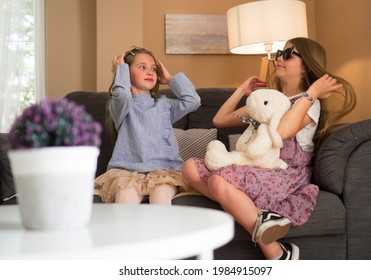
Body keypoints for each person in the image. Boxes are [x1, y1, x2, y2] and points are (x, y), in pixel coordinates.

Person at [181, 37, 356, 260]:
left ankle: (275, 251)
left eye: (288, 55)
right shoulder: (270, 99)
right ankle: (259, 216)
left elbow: (282, 133)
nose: (279, 59)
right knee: (189, 168)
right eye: (279, 54)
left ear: (306, 67)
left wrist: (311, 92)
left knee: (218, 181)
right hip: (255, 165)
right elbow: (220, 119)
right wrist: (242, 90)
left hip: (284, 172)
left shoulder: (310, 103)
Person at [95, 46, 201, 205]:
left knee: (160, 198)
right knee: (125, 199)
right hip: (129, 172)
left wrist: (170, 79)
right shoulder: (121, 106)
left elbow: (193, 100)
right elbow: (123, 95)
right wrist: (121, 72)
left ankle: (162, 230)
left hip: (164, 171)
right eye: (142, 67)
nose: (150, 72)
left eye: (153, 68)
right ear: (126, 73)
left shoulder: (165, 106)